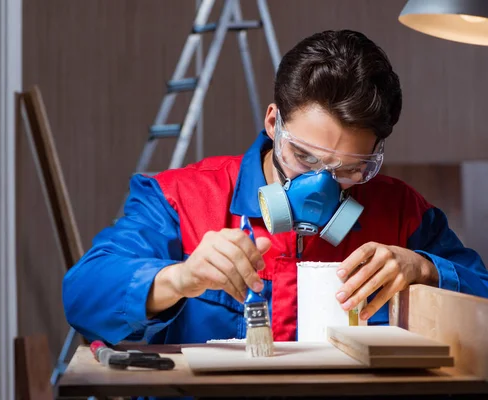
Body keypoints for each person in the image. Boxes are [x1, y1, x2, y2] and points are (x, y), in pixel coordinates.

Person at [62, 30, 488, 346]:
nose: (322, 185)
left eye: (349, 169)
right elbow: (83, 296)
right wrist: (179, 277)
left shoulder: (402, 214)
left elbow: (481, 296)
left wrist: (427, 269)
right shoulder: (181, 199)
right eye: (305, 158)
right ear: (273, 124)